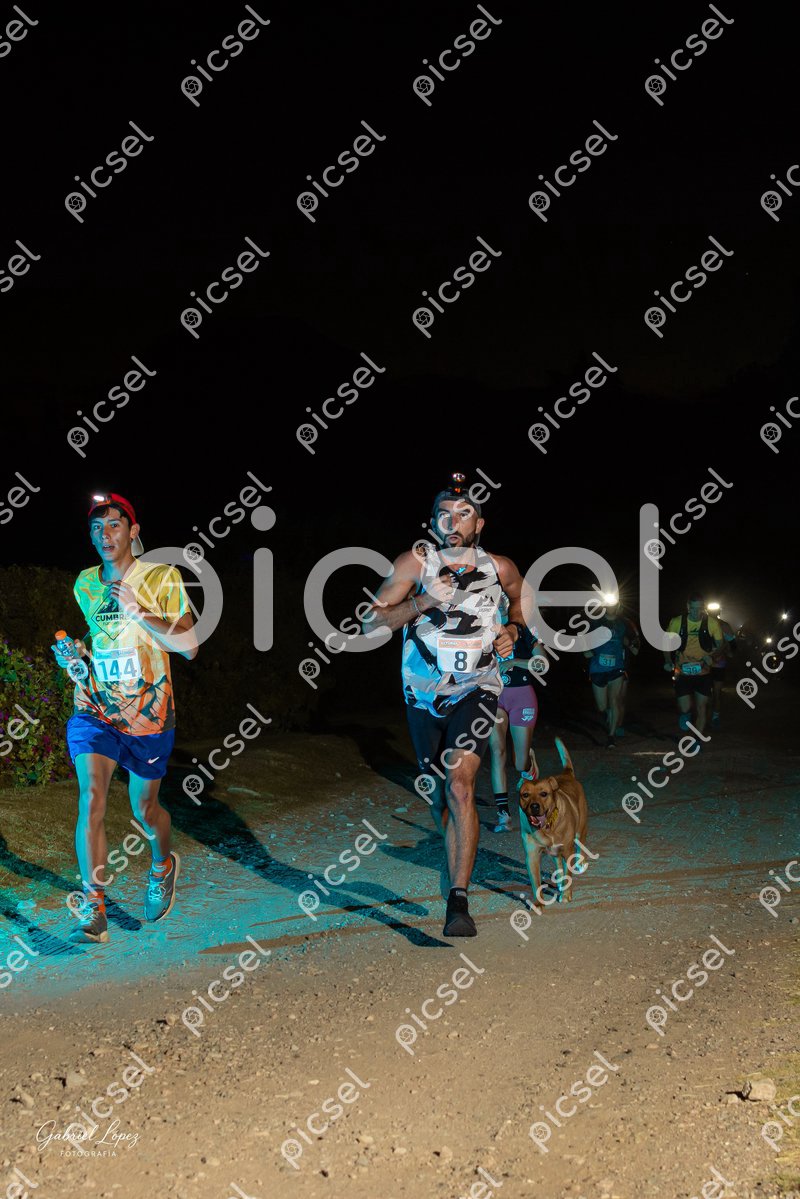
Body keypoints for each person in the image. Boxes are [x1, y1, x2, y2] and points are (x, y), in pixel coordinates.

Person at [364, 474, 530, 937]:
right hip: (422, 695)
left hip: (478, 687)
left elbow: (521, 600)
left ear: (480, 523)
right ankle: (454, 850)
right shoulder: (415, 564)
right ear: (433, 521)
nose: (452, 522)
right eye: (443, 514)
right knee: (440, 798)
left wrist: (513, 630)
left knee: (460, 784)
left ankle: (458, 899)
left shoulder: (500, 567)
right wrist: (423, 601)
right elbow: (370, 624)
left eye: (463, 513)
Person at [52, 493, 197, 944]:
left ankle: (162, 865)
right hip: (95, 707)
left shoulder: (161, 577)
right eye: (96, 528)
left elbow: (189, 646)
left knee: (145, 809)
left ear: (133, 531)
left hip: (149, 714)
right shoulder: (85, 583)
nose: (105, 535)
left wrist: (139, 609)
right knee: (91, 797)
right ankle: (93, 906)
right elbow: (102, 635)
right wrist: (77, 652)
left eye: (114, 525)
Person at [489, 593, 541, 832]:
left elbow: (542, 663)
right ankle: (503, 816)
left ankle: (529, 765)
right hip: (494, 697)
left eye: (503, 603)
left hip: (521, 696)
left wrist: (514, 662)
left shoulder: (527, 630)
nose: (498, 608)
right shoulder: (482, 631)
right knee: (497, 751)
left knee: (519, 763)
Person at [663, 592, 723, 741]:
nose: (696, 612)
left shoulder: (712, 623)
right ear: (688, 607)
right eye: (693, 608)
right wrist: (668, 660)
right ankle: (685, 714)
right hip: (683, 671)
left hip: (703, 672)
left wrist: (712, 656)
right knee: (685, 707)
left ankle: (696, 740)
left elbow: (721, 646)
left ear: (704, 608)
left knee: (702, 708)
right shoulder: (676, 622)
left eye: (700, 608)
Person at [584, 598, 640, 748]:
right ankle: (610, 717)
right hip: (598, 669)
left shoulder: (625, 623)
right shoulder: (595, 622)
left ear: (618, 605)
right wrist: (587, 650)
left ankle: (611, 736)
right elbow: (584, 640)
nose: (611, 606)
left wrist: (631, 644)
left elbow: (636, 642)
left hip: (617, 668)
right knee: (602, 707)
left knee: (614, 700)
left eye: (613, 604)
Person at [710, 616, 737, 728]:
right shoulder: (701, 623)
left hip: (718, 664)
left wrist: (728, 650)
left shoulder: (724, 626)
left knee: (716, 692)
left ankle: (715, 717)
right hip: (703, 665)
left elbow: (733, 645)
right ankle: (702, 715)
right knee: (702, 693)